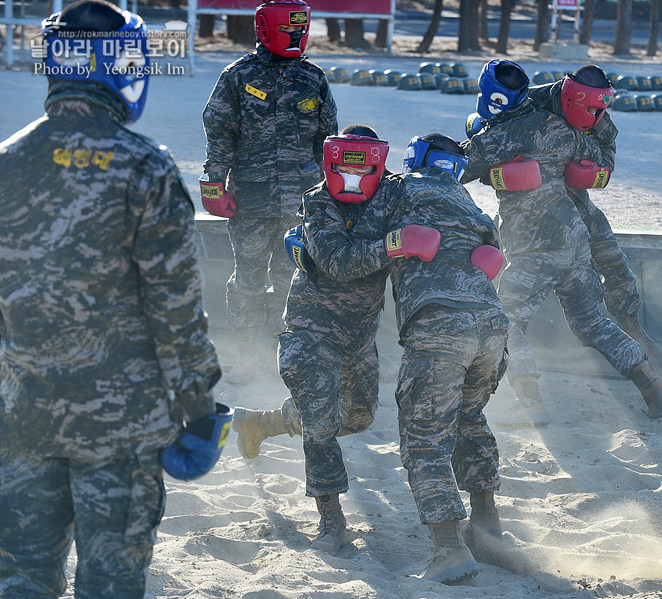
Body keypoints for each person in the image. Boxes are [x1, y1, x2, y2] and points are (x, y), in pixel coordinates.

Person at [0, 1, 228, 597]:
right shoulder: (145, 168)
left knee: (19, 579)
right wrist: (199, 407)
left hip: (21, 418)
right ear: (124, 65)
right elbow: (176, 312)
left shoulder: (5, 162)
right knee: (111, 583)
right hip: (121, 429)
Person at [303, 133, 509, 584]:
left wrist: (305, 239)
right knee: (469, 416)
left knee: (424, 439)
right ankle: (489, 525)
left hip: (440, 326)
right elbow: (496, 254)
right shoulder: (467, 200)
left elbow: (352, 242)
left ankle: (451, 550)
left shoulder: (395, 189)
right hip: (492, 326)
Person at [462, 59, 662, 422]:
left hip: (536, 246)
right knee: (591, 321)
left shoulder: (500, 136)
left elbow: (457, 167)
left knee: (504, 321)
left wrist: (481, 165)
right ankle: (653, 384)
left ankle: (531, 402)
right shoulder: (560, 130)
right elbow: (591, 153)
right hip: (574, 240)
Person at [231, 126, 393, 556]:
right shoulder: (318, 202)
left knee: (356, 418)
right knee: (321, 425)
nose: (351, 175)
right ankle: (331, 520)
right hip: (310, 329)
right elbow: (339, 263)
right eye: (342, 164)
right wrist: (395, 246)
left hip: (359, 335)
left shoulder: (392, 195)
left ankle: (259, 423)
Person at [201, 0, 338, 380]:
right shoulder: (238, 77)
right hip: (251, 200)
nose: (296, 37)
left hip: (300, 203)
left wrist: (327, 194)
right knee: (248, 280)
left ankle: (282, 355)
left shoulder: (313, 78)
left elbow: (327, 141)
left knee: (290, 281)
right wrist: (213, 184)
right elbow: (219, 134)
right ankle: (246, 356)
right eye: (289, 30)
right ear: (265, 29)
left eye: (301, 31)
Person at [526, 65, 662, 366]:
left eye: (598, 109)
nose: (594, 115)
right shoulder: (531, 102)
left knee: (612, 257)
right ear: (572, 96)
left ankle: (631, 325)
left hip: (574, 197)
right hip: (529, 204)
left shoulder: (599, 116)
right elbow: (488, 135)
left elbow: (608, 161)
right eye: (589, 108)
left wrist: (590, 172)